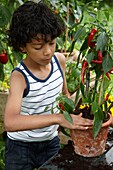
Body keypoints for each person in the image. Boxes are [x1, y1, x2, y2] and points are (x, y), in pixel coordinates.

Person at [4, 1, 93, 170]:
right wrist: (59, 118)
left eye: (52, 43)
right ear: (22, 47)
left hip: (50, 142)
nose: (48, 52)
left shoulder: (59, 61)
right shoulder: (20, 77)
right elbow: (10, 122)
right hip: (21, 148)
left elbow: (64, 96)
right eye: (38, 47)